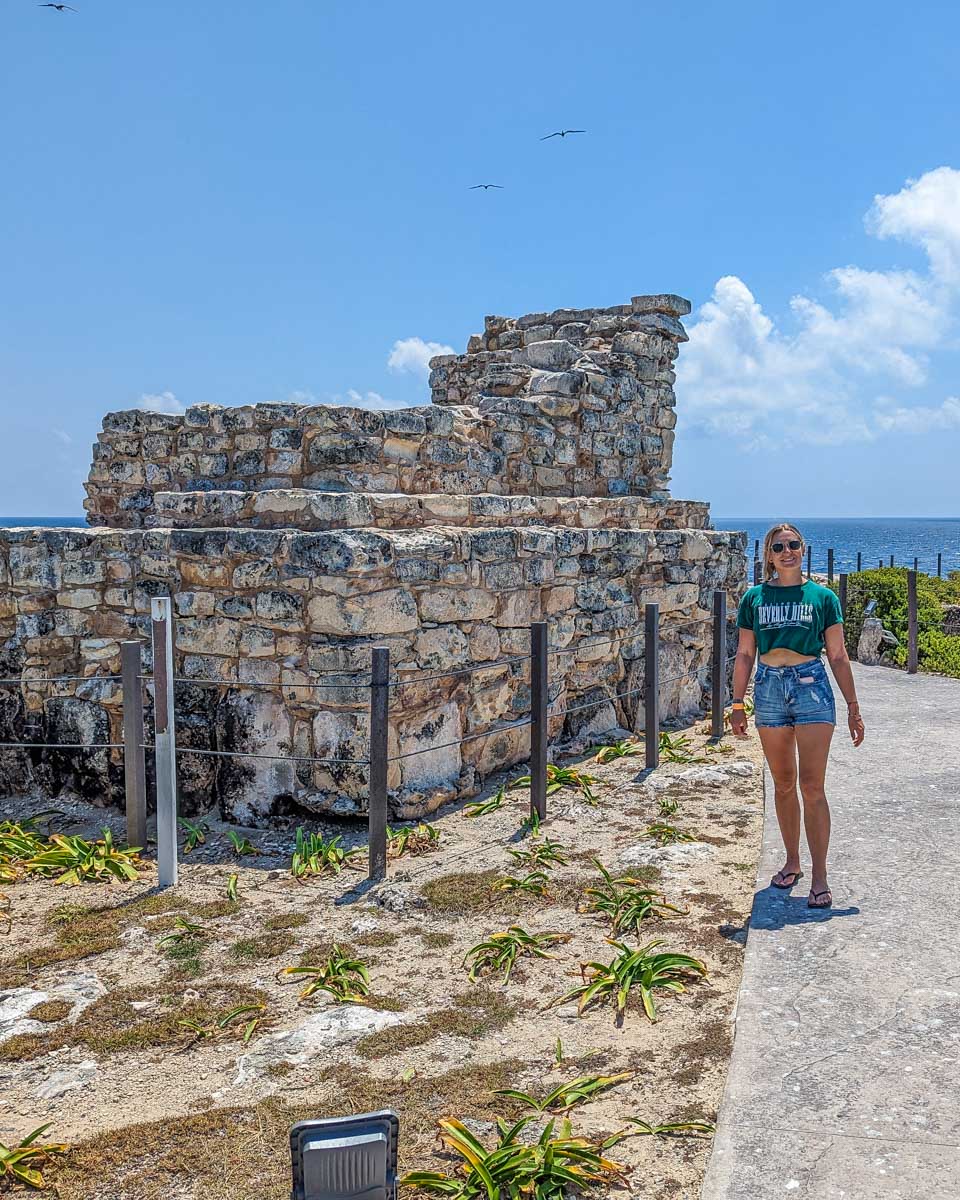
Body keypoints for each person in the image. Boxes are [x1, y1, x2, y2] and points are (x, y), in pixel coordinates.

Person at [730, 523, 865, 909]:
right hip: (770, 689)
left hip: (811, 688)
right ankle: (792, 862)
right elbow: (744, 654)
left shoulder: (822, 598)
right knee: (783, 783)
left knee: (812, 785)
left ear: (803, 549)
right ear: (769, 555)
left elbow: (837, 655)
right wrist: (737, 702)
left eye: (794, 544)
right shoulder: (754, 598)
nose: (787, 551)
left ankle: (820, 876)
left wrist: (854, 707)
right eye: (779, 546)